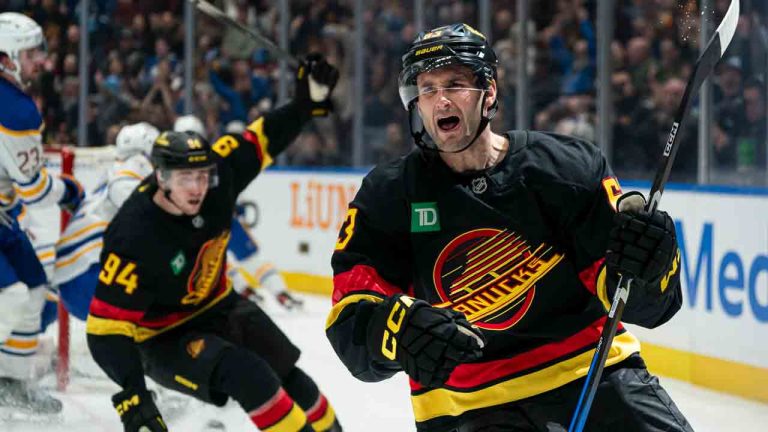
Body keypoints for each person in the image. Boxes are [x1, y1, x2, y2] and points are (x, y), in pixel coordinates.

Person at [325, 23, 691, 432]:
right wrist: (395, 331)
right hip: (463, 407)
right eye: (427, 88)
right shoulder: (388, 196)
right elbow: (349, 317)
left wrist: (651, 265)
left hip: (590, 375)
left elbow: (643, 304)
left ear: (490, 92)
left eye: (455, 83)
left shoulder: (563, 168)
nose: (440, 99)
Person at [87, 54, 341, 432]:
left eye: (202, 177)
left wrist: (304, 104)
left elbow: (262, 138)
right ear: (160, 177)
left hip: (220, 304)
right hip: (163, 337)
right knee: (251, 375)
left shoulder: (219, 175)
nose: (198, 188)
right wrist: (132, 394)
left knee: (291, 377)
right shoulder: (134, 233)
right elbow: (104, 330)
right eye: (185, 178)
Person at [0, 12, 83, 413]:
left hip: (3, 218)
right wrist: (69, 189)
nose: (41, 61)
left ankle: (9, 385)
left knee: (35, 290)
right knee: (13, 296)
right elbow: (34, 189)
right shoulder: (16, 109)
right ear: (5, 58)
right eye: (31, 53)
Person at [173, 114, 303, 310]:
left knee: (215, 259)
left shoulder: (174, 164)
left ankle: (247, 291)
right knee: (246, 258)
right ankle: (278, 293)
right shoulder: (214, 157)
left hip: (197, 221)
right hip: (223, 216)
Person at [50, 122, 160, 325]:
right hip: (91, 274)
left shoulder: (112, 171)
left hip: (70, 281)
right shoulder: (137, 164)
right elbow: (124, 190)